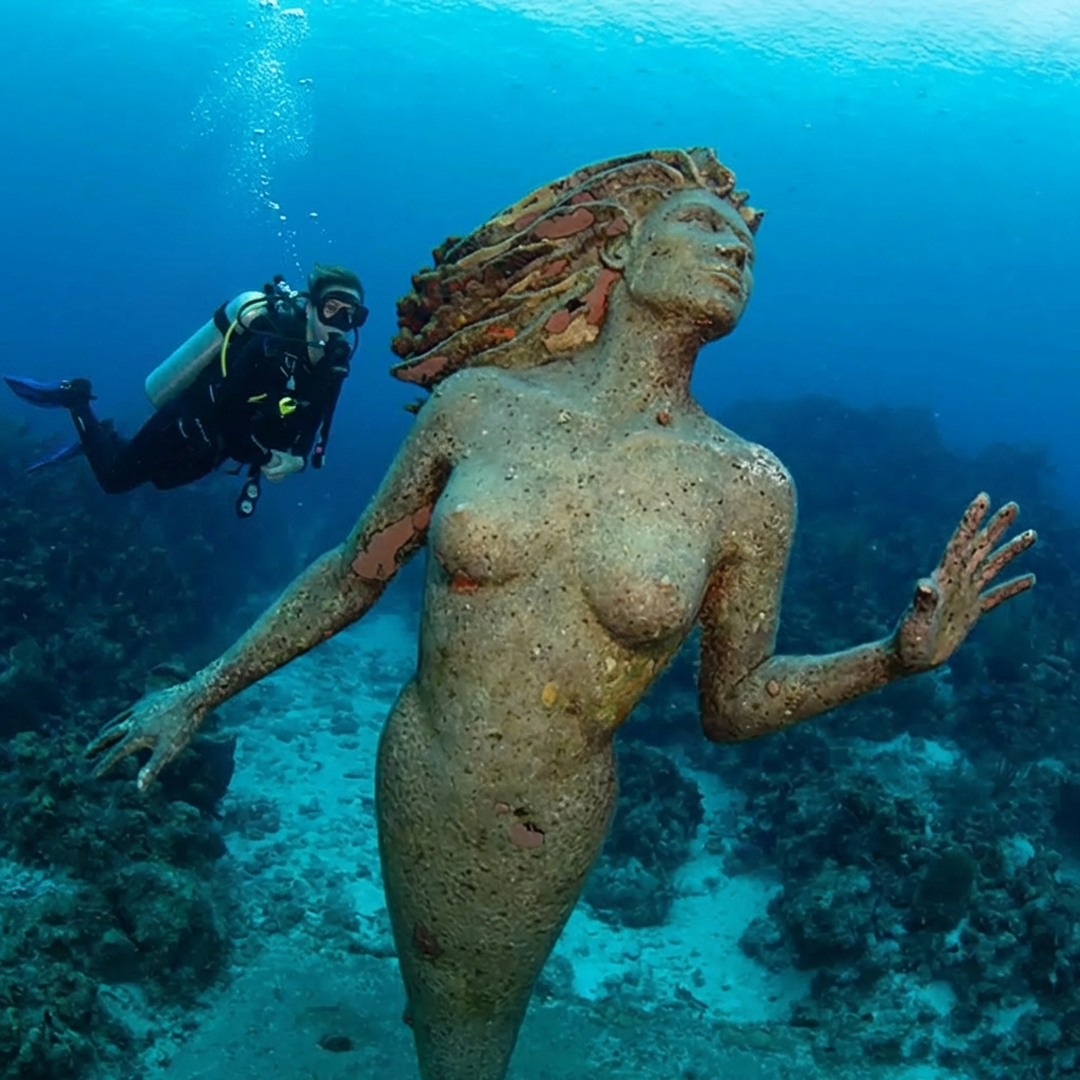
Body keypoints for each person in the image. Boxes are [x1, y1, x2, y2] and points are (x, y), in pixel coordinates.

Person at [83, 149, 1037, 1080]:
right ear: (621, 249)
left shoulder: (748, 486)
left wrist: (894, 657)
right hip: (423, 766)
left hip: (547, 813)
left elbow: (734, 705)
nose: (734, 251)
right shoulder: (477, 407)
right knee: (438, 1014)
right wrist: (199, 691)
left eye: (747, 249)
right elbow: (350, 577)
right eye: (703, 225)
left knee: (473, 1036)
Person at [3, 263, 368, 517]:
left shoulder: (333, 368)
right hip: (185, 423)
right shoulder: (269, 346)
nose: (340, 323)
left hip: (212, 450)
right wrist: (268, 458)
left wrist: (297, 461)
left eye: (351, 315)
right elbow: (229, 411)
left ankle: (103, 435)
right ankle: (76, 398)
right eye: (331, 308)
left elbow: (316, 426)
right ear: (310, 308)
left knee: (159, 480)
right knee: (115, 480)